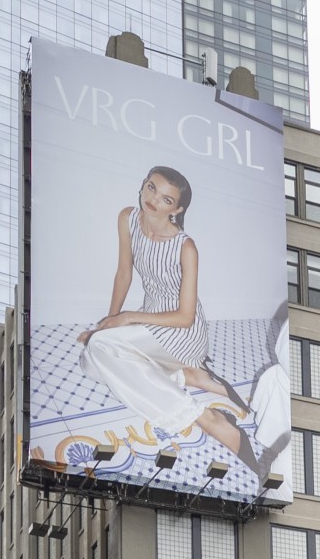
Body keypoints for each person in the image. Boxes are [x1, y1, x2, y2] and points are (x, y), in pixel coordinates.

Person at [77, 166, 273, 482]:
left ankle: (205, 417)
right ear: (143, 185)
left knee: (101, 349)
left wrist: (125, 318)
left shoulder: (185, 246)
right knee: (90, 361)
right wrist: (106, 324)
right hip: (150, 320)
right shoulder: (127, 218)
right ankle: (185, 376)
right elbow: (124, 274)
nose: (154, 200)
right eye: (151, 188)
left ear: (177, 209)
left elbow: (185, 317)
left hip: (181, 334)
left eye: (166, 199)